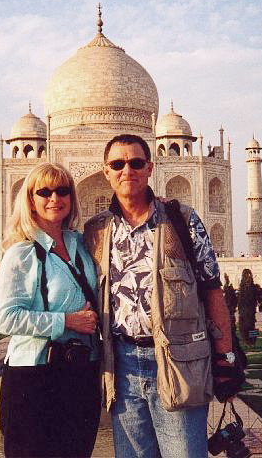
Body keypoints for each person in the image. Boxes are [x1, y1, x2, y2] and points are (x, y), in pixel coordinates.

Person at [84, 134, 235, 458]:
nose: (128, 170)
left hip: (177, 361)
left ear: (150, 167)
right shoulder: (96, 230)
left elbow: (212, 290)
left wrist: (226, 359)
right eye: (118, 164)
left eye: (136, 162)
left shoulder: (181, 220)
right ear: (105, 171)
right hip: (120, 365)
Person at [0, 162, 101, 458]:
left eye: (63, 191)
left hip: (80, 371)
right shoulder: (21, 252)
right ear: (30, 199)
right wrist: (67, 322)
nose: (55, 198)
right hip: (35, 376)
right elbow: (7, 318)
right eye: (44, 192)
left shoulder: (81, 244)